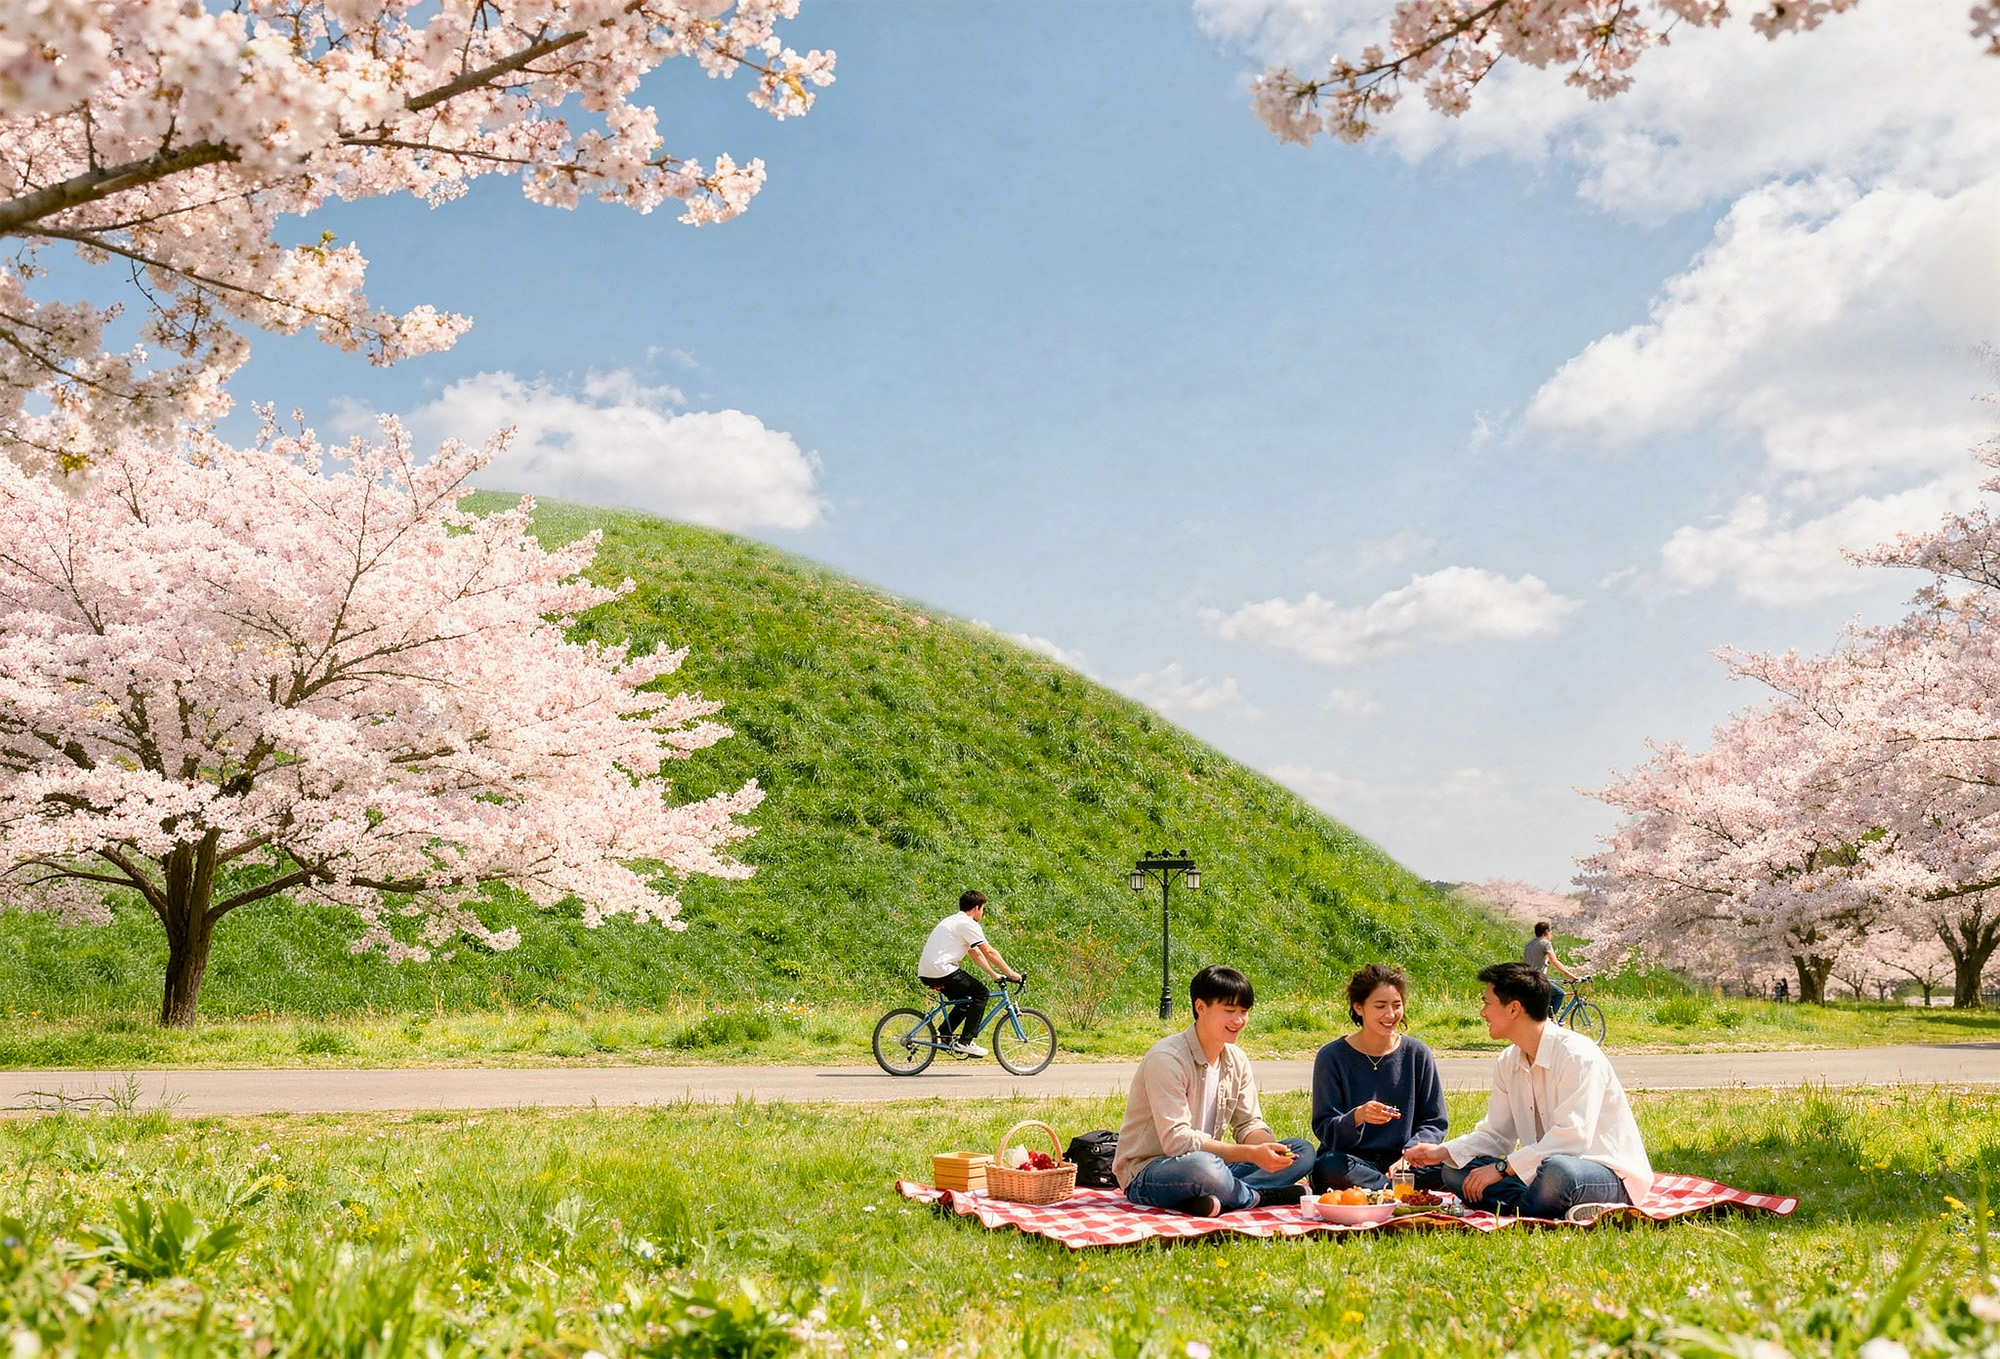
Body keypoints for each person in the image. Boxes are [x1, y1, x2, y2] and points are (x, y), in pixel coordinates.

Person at [1404, 962, 1653, 1220]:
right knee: (1455, 1169)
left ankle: (1527, 1207)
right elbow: (1497, 1134)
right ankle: (1544, 1207)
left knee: (1558, 1172)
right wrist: (1444, 1152)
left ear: (1513, 1009)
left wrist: (1502, 1169)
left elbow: (1572, 1138)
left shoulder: (1577, 1055)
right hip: (1538, 1173)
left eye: (1487, 1003)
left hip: (1601, 1172)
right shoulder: (1508, 1061)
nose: (1482, 1012)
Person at [1114, 965, 1314, 1217]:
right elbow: (1177, 1141)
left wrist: (1269, 1150)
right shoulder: (1167, 1058)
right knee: (1204, 1167)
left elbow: (1248, 1124)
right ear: (1200, 1007)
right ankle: (1258, 1196)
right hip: (1152, 1170)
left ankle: (1213, 1198)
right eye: (1229, 1011)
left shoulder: (1236, 1059)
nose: (1239, 1020)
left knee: (1302, 1151)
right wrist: (1251, 1154)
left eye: (1244, 1011)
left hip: (1217, 1165)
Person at [1309, 963, 1448, 1194]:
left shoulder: (1417, 1053)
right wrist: (1357, 1116)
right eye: (1380, 1006)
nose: (1391, 1015)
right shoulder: (1331, 1056)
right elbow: (1325, 1127)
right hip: (1352, 1160)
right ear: (1359, 1007)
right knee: (1329, 1166)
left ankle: (1381, 1189)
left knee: (1457, 1164)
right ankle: (1396, 1190)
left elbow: (1434, 1121)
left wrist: (1410, 1154)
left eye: (1397, 1005)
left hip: (1405, 1161)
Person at [916, 890, 1021, 1057]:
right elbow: (989, 952)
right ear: (977, 907)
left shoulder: (952, 921)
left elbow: (975, 953)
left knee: (964, 1001)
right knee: (981, 993)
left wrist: (994, 974)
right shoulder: (968, 924)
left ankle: (946, 1034)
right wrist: (1011, 973)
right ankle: (965, 1042)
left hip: (927, 971)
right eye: (983, 909)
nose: (982, 913)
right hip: (942, 969)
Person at [1523, 921, 1582, 1015]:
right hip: (1538, 978)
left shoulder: (1529, 944)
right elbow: (1554, 961)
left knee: (1548, 995)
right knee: (1559, 994)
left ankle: (1544, 1015)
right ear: (1546, 932)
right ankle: (1549, 1020)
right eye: (1551, 932)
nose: (1552, 935)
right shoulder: (1545, 943)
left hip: (1527, 978)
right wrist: (1571, 976)